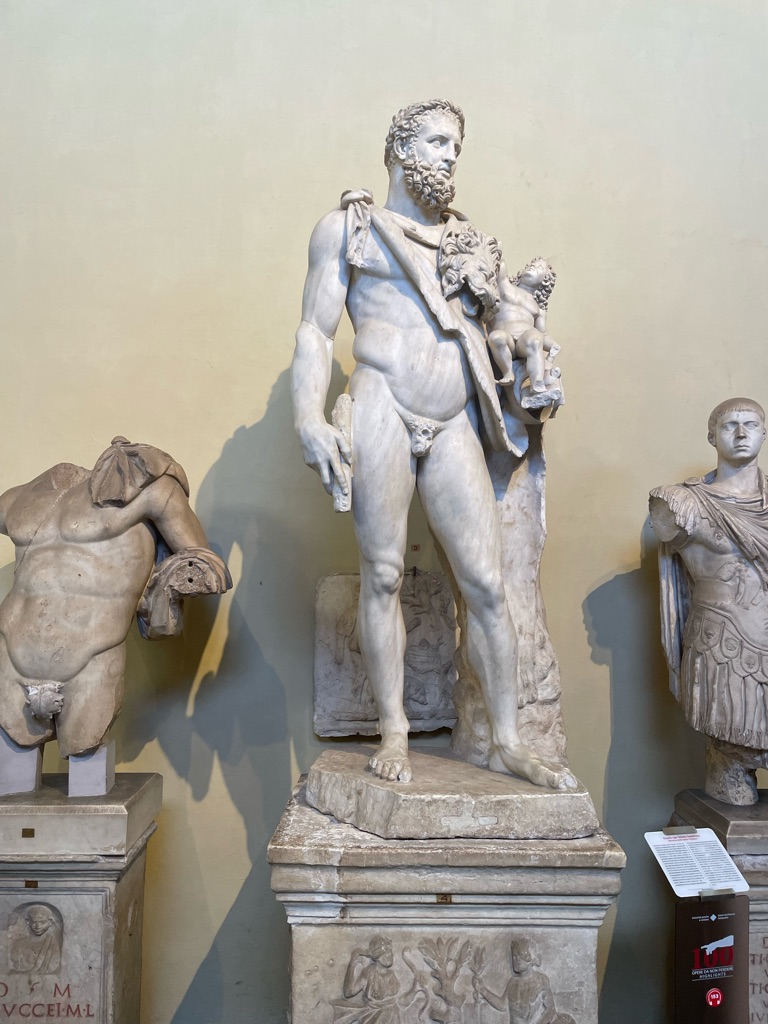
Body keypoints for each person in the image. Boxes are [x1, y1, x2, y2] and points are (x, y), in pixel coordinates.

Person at [292, 99, 573, 789]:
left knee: (487, 585)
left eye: (456, 146)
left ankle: (507, 740)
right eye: (437, 141)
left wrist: (530, 350)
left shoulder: (469, 242)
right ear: (399, 148)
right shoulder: (349, 229)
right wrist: (308, 417)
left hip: (453, 418)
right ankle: (394, 730)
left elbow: (506, 324)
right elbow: (315, 331)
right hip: (383, 401)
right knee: (383, 573)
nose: (450, 156)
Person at [0, 436, 230, 790]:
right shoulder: (18, 499)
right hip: (10, 650)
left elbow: (206, 564)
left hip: (92, 654)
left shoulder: (148, 488)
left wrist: (176, 581)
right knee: (13, 790)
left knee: (87, 781)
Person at [650, 398, 768, 804]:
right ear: (711, 436)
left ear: (764, 434)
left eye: (751, 425)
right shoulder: (681, 504)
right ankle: (727, 767)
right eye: (730, 425)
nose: (741, 434)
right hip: (722, 643)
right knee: (732, 762)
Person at [488, 257, 561, 405]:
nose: (532, 267)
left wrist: (553, 345)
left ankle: (537, 384)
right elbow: (500, 264)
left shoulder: (538, 307)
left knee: (535, 338)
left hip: (524, 340)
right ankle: (508, 372)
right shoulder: (505, 285)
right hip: (506, 336)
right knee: (496, 338)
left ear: (544, 281)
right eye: (531, 265)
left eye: (539, 268)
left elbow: (543, 334)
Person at [472, 938, 575, 1024]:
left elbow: (550, 1011)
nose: (516, 960)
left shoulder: (540, 980)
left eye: (520, 956)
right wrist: (482, 990)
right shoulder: (513, 982)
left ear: (529, 958)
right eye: (514, 956)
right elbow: (502, 1005)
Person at [10, 904, 62, 973]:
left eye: (42, 922)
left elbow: (54, 965)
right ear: (28, 922)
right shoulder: (19, 944)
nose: (38, 926)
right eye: (34, 922)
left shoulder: (52, 944)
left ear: (50, 923)